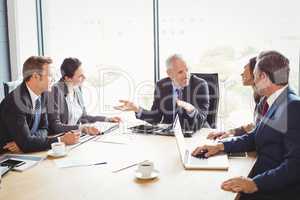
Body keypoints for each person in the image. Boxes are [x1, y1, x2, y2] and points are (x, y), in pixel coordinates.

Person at [192, 50, 300, 200]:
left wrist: (254, 184)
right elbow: (255, 137)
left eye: (255, 76)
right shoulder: (273, 101)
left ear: (263, 77)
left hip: (274, 190)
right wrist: (220, 146)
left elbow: (295, 166)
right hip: (261, 176)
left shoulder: (293, 106)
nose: (254, 82)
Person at [0, 56, 80, 153]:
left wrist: (26, 142)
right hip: (5, 156)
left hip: (23, 152)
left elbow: (45, 128)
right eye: (50, 75)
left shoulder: (42, 95)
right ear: (35, 76)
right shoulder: (16, 101)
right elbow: (27, 143)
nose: (53, 79)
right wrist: (61, 140)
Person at [115, 54, 209, 131]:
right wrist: (137, 109)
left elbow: (202, 121)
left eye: (187, 70)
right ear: (169, 73)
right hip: (170, 134)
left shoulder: (200, 85)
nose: (186, 75)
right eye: (180, 72)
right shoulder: (161, 85)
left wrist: (190, 108)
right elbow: (156, 117)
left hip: (197, 132)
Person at [48, 57, 121, 135]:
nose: (85, 78)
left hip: (75, 136)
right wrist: (81, 128)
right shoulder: (55, 90)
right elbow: (55, 126)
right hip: (61, 139)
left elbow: (84, 117)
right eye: (80, 76)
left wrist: (107, 119)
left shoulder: (77, 88)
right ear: (67, 78)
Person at [207, 57, 264, 140]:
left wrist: (223, 145)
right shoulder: (259, 96)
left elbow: (257, 132)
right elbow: (255, 125)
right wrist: (229, 132)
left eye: (245, 69)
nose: (242, 74)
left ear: (255, 72)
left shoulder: (267, 98)